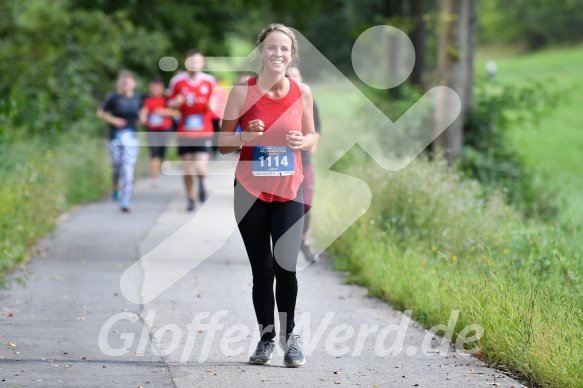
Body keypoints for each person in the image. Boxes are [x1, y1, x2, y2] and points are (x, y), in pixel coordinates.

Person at [218, 23, 317, 367]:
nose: (278, 54)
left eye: (285, 49)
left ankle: (291, 339)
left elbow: (312, 135)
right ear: (260, 52)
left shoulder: (302, 91)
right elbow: (222, 144)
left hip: (290, 190)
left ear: (292, 55)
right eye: (272, 47)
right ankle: (266, 339)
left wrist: (303, 143)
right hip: (249, 191)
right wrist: (245, 136)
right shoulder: (242, 92)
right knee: (262, 271)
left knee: (286, 267)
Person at [169, 49, 216, 211]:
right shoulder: (177, 82)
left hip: (204, 130)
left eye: (197, 61)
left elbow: (216, 102)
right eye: (191, 61)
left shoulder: (209, 81)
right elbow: (169, 104)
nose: (194, 64)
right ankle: (190, 198)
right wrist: (175, 103)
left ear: (202, 63)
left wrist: (212, 106)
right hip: (184, 131)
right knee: (187, 169)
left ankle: (202, 183)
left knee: (200, 167)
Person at [286, 65, 322, 262]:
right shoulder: (275, 100)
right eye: (288, 76)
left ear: (302, 78)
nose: (292, 79)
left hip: (304, 160)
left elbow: (316, 129)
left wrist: (312, 141)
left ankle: (303, 241)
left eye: (296, 76)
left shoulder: (308, 100)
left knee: (306, 203)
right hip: (282, 161)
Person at [96, 70, 142, 212]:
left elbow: (144, 111)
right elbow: (100, 113)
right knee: (116, 166)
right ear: (119, 84)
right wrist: (113, 120)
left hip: (131, 137)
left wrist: (144, 117)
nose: (125, 85)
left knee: (128, 168)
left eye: (128, 83)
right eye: (123, 83)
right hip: (115, 137)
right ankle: (116, 185)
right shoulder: (113, 98)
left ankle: (125, 200)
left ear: (133, 84)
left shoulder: (138, 98)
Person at [139, 75, 176, 187]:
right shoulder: (145, 98)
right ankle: (154, 178)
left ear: (161, 87)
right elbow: (142, 110)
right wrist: (143, 115)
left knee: (162, 151)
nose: (155, 89)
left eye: (157, 86)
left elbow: (175, 113)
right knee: (153, 152)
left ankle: (164, 160)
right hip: (151, 129)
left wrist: (162, 112)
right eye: (153, 86)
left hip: (165, 128)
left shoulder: (167, 99)